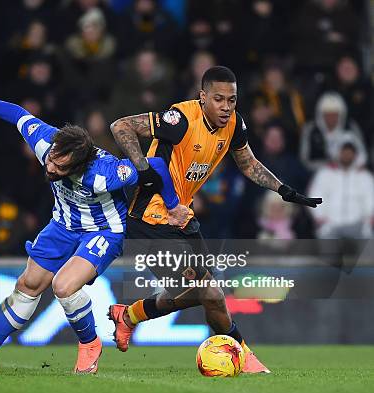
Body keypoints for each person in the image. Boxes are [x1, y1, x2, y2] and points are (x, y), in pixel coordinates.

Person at [0, 76, 182, 374]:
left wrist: (173, 204)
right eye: (51, 160)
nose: (50, 167)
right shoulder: (46, 142)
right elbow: (16, 114)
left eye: (59, 167)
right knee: (28, 285)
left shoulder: (105, 174)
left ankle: (90, 344)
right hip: (61, 225)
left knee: (63, 286)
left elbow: (155, 166)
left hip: (103, 230)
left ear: (77, 167)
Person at [107, 66, 322, 374]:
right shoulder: (179, 119)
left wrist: (284, 189)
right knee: (207, 292)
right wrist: (142, 167)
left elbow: (248, 163)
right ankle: (243, 355)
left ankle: (129, 316)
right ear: (203, 97)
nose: (225, 107)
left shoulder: (233, 125)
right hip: (149, 218)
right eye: (219, 99)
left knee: (209, 295)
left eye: (231, 100)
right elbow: (120, 127)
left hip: (182, 217)